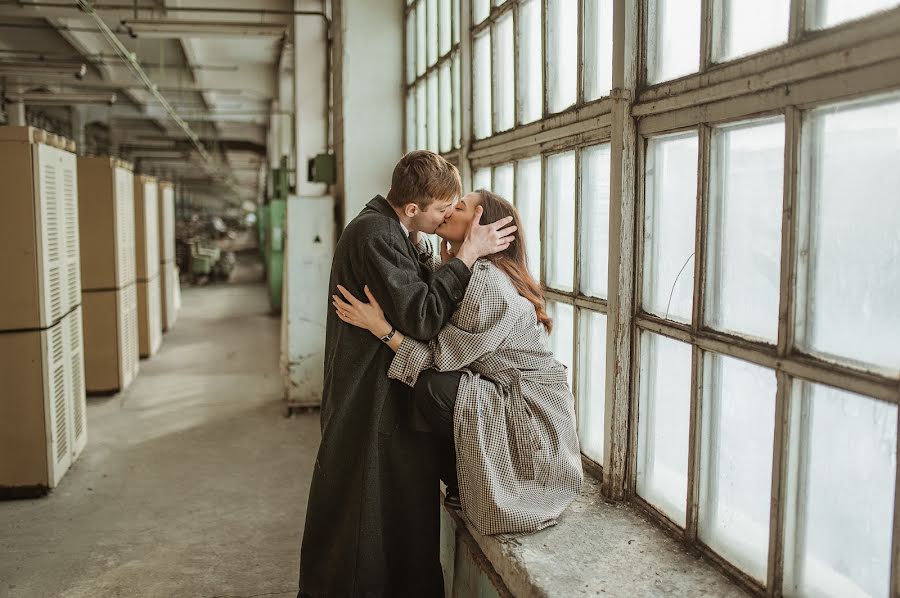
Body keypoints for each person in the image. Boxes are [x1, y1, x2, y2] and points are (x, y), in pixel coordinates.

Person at [297, 152, 517, 598]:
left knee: (393, 510)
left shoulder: (390, 231)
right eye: (442, 209)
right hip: (370, 396)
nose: (445, 218)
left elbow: (420, 304)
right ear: (413, 209)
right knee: (362, 516)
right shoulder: (375, 234)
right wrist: (470, 252)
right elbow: (423, 317)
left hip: (387, 391)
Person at [333, 189, 583, 538]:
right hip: (510, 393)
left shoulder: (489, 285)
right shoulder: (474, 271)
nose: (449, 210)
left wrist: (380, 328)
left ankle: (461, 484)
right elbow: (437, 306)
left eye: (459, 206)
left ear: (483, 226)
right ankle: (457, 481)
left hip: (531, 416)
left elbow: (436, 359)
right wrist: (450, 255)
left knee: (431, 388)